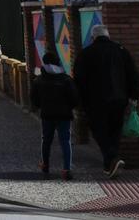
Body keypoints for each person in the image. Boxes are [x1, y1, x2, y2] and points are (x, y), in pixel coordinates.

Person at [74, 25, 139, 179]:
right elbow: (133, 74)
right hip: (119, 99)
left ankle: (112, 158)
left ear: (93, 38)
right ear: (108, 36)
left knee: (100, 131)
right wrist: (134, 96)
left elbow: (79, 80)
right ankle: (109, 166)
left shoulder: (85, 54)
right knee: (115, 131)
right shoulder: (121, 51)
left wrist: (80, 102)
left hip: (95, 101)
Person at [31, 50, 80, 180]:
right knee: (65, 141)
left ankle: (45, 164)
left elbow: (34, 99)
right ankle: (66, 169)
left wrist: (41, 106)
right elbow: (75, 98)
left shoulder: (39, 80)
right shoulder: (66, 79)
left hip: (47, 114)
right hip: (64, 115)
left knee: (46, 140)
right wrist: (69, 107)